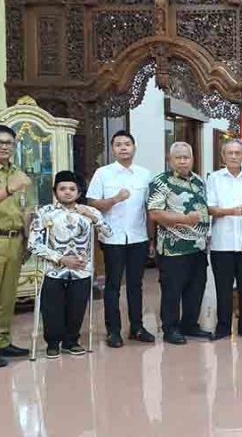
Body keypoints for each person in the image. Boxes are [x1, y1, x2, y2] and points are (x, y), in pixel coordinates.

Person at [28, 171, 112, 358]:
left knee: (77, 306)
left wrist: (93, 217)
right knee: (52, 308)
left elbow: (108, 234)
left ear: (79, 192)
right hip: (53, 269)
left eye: (72, 189)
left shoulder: (90, 212)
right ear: (55, 191)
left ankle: (71, 341)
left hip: (81, 270)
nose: (67, 192)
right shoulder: (45, 213)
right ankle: (52, 343)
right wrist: (60, 259)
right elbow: (33, 244)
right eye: (62, 189)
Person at [87, 130, 156, 348]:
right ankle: (113, 331)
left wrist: (151, 239)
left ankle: (137, 327)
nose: (123, 148)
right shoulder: (103, 173)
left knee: (136, 285)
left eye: (127, 144)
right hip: (112, 238)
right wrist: (115, 199)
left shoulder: (145, 174)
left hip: (138, 237)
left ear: (134, 148)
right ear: (113, 149)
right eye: (118, 144)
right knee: (113, 285)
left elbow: (150, 209)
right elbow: (92, 204)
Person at [147, 142, 211, 345]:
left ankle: (190, 325)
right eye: (178, 157)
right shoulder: (161, 182)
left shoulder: (199, 181)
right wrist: (185, 220)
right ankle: (170, 328)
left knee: (196, 288)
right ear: (170, 160)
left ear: (192, 159)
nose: (183, 161)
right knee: (172, 291)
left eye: (186, 157)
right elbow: (155, 213)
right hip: (173, 248)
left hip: (198, 247)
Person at [0, 125, 32, 368]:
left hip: (15, 240)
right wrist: (9, 188)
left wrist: (28, 236)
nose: (4, 146)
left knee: (7, 295)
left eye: (9, 143)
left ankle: (1, 341)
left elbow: (25, 208)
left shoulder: (17, 171)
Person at [206, 139, 242, 340]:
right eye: (229, 153)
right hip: (222, 244)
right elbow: (210, 209)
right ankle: (223, 328)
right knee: (223, 289)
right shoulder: (214, 178)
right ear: (223, 156)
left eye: (237, 153)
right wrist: (230, 211)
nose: (233, 156)